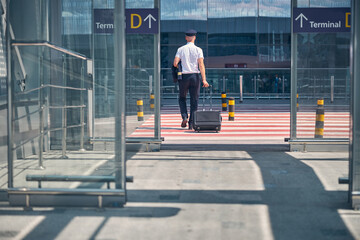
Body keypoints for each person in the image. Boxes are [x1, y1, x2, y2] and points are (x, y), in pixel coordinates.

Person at [173, 29, 209, 130]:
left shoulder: (180, 49)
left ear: (186, 38)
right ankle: (191, 123)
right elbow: (201, 65)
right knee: (194, 100)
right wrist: (204, 80)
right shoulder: (198, 50)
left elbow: (175, 63)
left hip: (184, 77)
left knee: (182, 98)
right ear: (195, 37)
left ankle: (184, 116)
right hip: (195, 77)